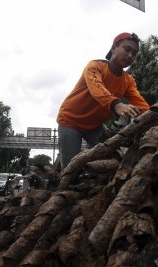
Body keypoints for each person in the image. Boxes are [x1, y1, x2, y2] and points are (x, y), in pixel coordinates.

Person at [56, 32, 150, 170]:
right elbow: (97, 88)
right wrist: (116, 104)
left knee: (113, 157)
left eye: (134, 53)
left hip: (95, 127)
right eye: (127, 49)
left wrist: (156, 116)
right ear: (113, 48)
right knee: (71, 170)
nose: (131, 56)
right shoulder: (95, 66)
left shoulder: (128, 80)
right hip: (70, 122)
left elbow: (141, 105)